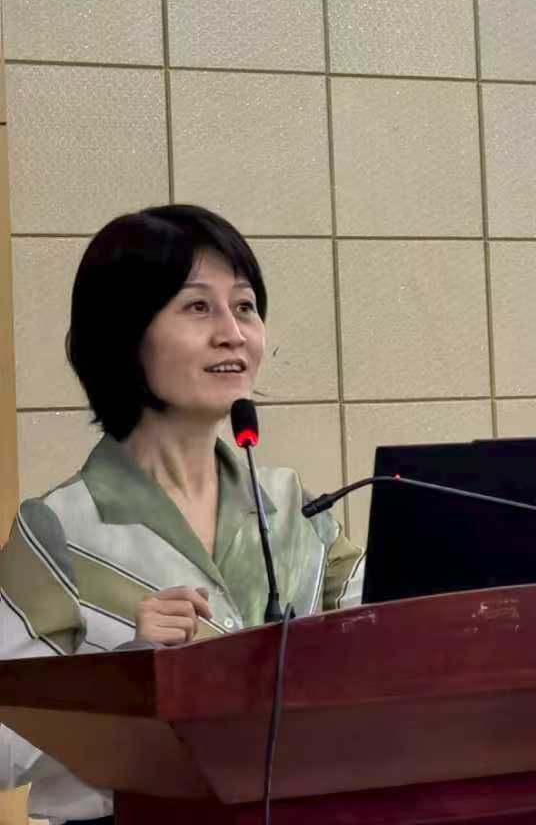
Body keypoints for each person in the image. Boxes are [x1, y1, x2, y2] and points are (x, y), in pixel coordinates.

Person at [0, 205, 364, 825]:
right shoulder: (60, 528)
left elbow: (389, 633)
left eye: (244, 306)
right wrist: (127, 677)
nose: (233, 333)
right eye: (198, 307)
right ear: (125, 333)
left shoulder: (296, 508)